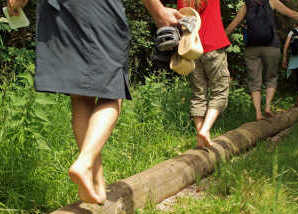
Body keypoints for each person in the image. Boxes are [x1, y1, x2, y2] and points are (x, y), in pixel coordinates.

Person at [7, 0, 182, 204]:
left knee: (81, 95)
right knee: (114, 91)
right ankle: (84, 163)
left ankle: (95, 183)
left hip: (57, 13)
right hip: (97, 8)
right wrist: (159, 12)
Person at [226, 0, 298, 120]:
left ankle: (258, 113)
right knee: (271, 78)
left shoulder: (246, 5)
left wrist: (218, 41)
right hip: (271, 47)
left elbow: (233, 25)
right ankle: (267, 107)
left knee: (254, 80)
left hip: (251, 48)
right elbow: (293, 14)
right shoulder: (272, 2)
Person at [177, 0, 231, 147]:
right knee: (220, 90)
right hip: (213, 46)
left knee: (198, 93)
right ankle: (205, 130)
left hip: (192, 49)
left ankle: (201, 136)